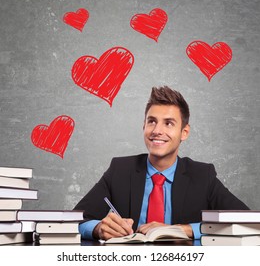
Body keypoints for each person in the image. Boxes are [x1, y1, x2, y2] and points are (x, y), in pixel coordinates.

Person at [74, 86, 249, 241]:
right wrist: (97, 229)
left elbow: (246, 220)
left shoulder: (203, 175)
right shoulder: (119, 170)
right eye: (152, 122)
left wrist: (184, 230)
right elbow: (77, 220)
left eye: (169, 123)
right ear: (144, 126)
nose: (157, 131)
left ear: (184, 132)